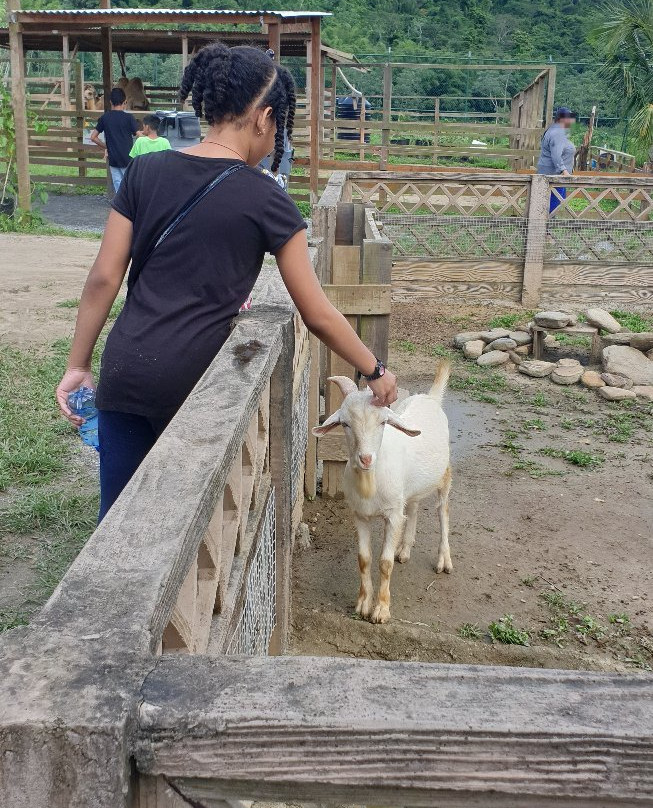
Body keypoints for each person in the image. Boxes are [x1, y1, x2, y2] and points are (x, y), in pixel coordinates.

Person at [56, 43, 398, 522]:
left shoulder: (145, 170)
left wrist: (78, 364)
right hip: (195, 384)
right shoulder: (266, 198)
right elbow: (316, 311)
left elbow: (103, 278)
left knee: (119, 518)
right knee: (185, 522)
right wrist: (375, 370)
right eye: (277, 122)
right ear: (263, 118)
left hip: (125, 368)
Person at [90, 87, 141, 192]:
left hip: (113, 159)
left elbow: (93, 137)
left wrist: (106, 146)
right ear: (124, 102)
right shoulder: (129, 118)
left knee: (118, 188)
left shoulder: (105, 118)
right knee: (130, 186)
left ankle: (120, 207)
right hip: (128, 158)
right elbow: (139, 135)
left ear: (110, 102)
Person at [537, 106, 577, 213]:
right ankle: (545, 227)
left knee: (549, 203)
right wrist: (564, 171)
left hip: (550, 173)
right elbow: (556, 155)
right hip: (554, 175)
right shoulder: (557, 132)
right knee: (552, 204)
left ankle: (545, 225)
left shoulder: (554, 130)